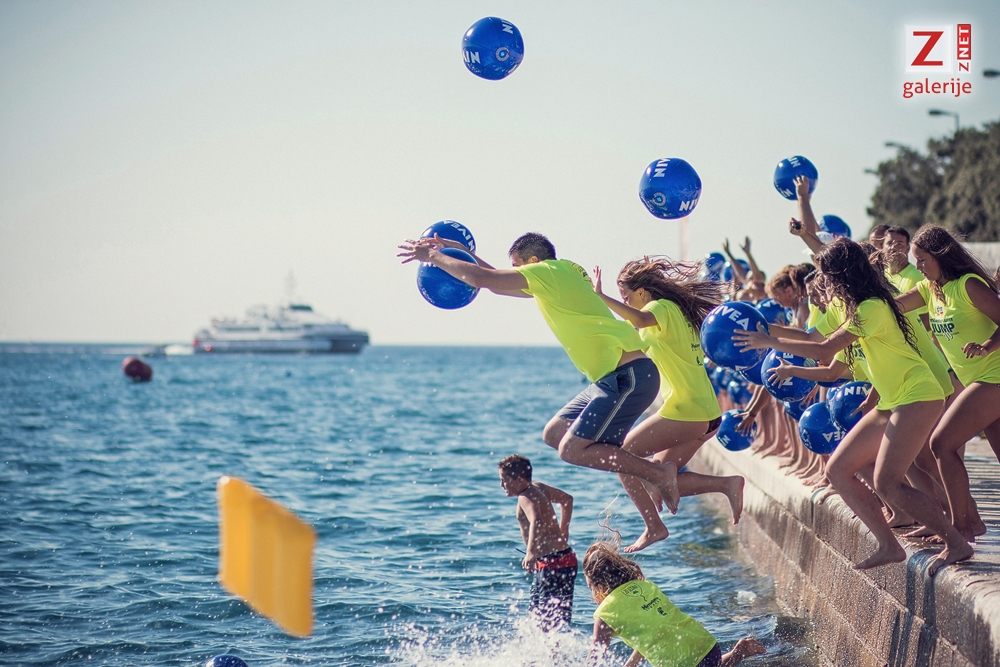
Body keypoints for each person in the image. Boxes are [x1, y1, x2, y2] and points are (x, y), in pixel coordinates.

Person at [733, 237, 972, 574]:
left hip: (918, 395)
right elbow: (815, 340)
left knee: (888, 482)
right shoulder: (852, 308)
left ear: (841, 275)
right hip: (892, 399)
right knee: (838, 469)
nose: (823, 282)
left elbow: (823, 351)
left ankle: (956, 542)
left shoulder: (871, 307)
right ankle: (888, 545)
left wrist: (768, 341)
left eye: (826, 275)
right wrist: (762, 333)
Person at [398, 232, 681, 512]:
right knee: (554, 433)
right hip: (613, 378)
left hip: (629, 376)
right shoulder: (561, 274)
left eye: (517, 267)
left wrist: (432, 255)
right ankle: (654, 515)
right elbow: (495, 281)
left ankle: (659, 474)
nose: (515, 273)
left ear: (534, 261)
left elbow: (484, 279)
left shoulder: (549, 272)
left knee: (571, 449)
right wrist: (462, 250)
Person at [591, 258, 745, 552]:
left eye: (626, 297)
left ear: (642, 291)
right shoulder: (670, 314)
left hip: (687, 410)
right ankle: (727, 485)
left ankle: (653, 527)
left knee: (622, 457)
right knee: (657, 477)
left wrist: (601, 296)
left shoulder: (660, 308)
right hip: (704, 411)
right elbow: (629, 329)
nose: (626, 303)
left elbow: (639, 320)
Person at [895, 225, 1000, 541]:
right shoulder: (930, 290)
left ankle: (962, 527)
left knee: (941, 444)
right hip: (977, 380)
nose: (918, 266)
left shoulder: (968, 285)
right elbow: (893, 306)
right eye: (915, 260)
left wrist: (987, 346)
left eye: (922, 259)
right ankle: (973, 525)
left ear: (940, 256)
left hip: (993, 377)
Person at [584, 538, 765, 667]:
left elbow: (595, 658)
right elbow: (655, 629)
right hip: (707, 645)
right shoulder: (645, 586)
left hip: (681, 662)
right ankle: (737, 653)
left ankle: (737, 654)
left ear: (598, 586)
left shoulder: (605, 614)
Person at [498, 454, 577, 630]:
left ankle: (554, 648)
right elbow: (567, 499)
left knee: (546, 622)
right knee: (550, 620)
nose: (501, 485)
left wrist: (531, 552)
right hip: (563, 560)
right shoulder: (539, 488)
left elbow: (537, 521)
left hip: (552, 563)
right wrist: (564, 529)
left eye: (504, 480)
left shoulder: (525, 496)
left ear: (519, 480)